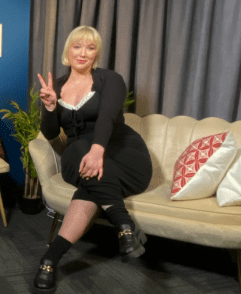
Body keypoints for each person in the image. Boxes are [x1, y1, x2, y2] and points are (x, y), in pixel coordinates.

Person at [33, 26, 153, 293]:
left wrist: (98, 150)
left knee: (85, 161)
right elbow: (52, 133)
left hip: (123, 153)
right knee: (77, 150)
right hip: (83, 160)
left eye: (90, 47)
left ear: (97, 53)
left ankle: (49, 259)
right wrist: (50, 107)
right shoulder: (59, 86)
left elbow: (108, 116)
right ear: (68, 51)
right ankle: (124, 227)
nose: (83, 53)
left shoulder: (111, 79)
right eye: (77, 46)